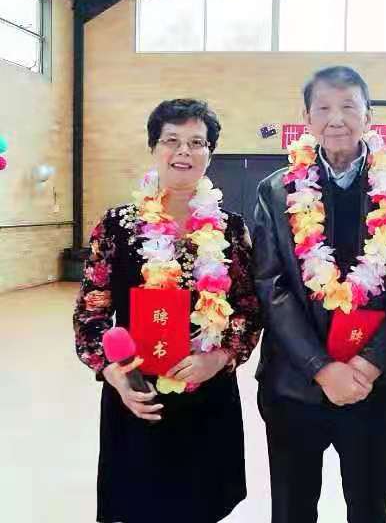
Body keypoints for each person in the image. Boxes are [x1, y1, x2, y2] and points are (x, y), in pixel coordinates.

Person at [252, 66, 386, 523]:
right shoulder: (276, 190)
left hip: (376, 384)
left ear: (368, 116)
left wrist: (368, 364)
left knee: (370, 505)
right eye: (324, 108)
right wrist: (321, 367)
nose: (337, 119)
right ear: (307, 118)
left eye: (349, 107)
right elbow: (271, 285)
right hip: (294, 383)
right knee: (292, 508)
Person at [73, 98, 261, 523]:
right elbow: (91, 311)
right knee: (138, 504)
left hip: (206, 391)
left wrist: (219, 357)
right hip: (137, 392)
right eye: (171, 140)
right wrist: (113, 373)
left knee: (201, 505)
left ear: (210, 153)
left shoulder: (230, 229)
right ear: (153, 148)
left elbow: (248, 309)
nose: (183, 152)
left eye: (196, 142)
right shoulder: (117, 226)